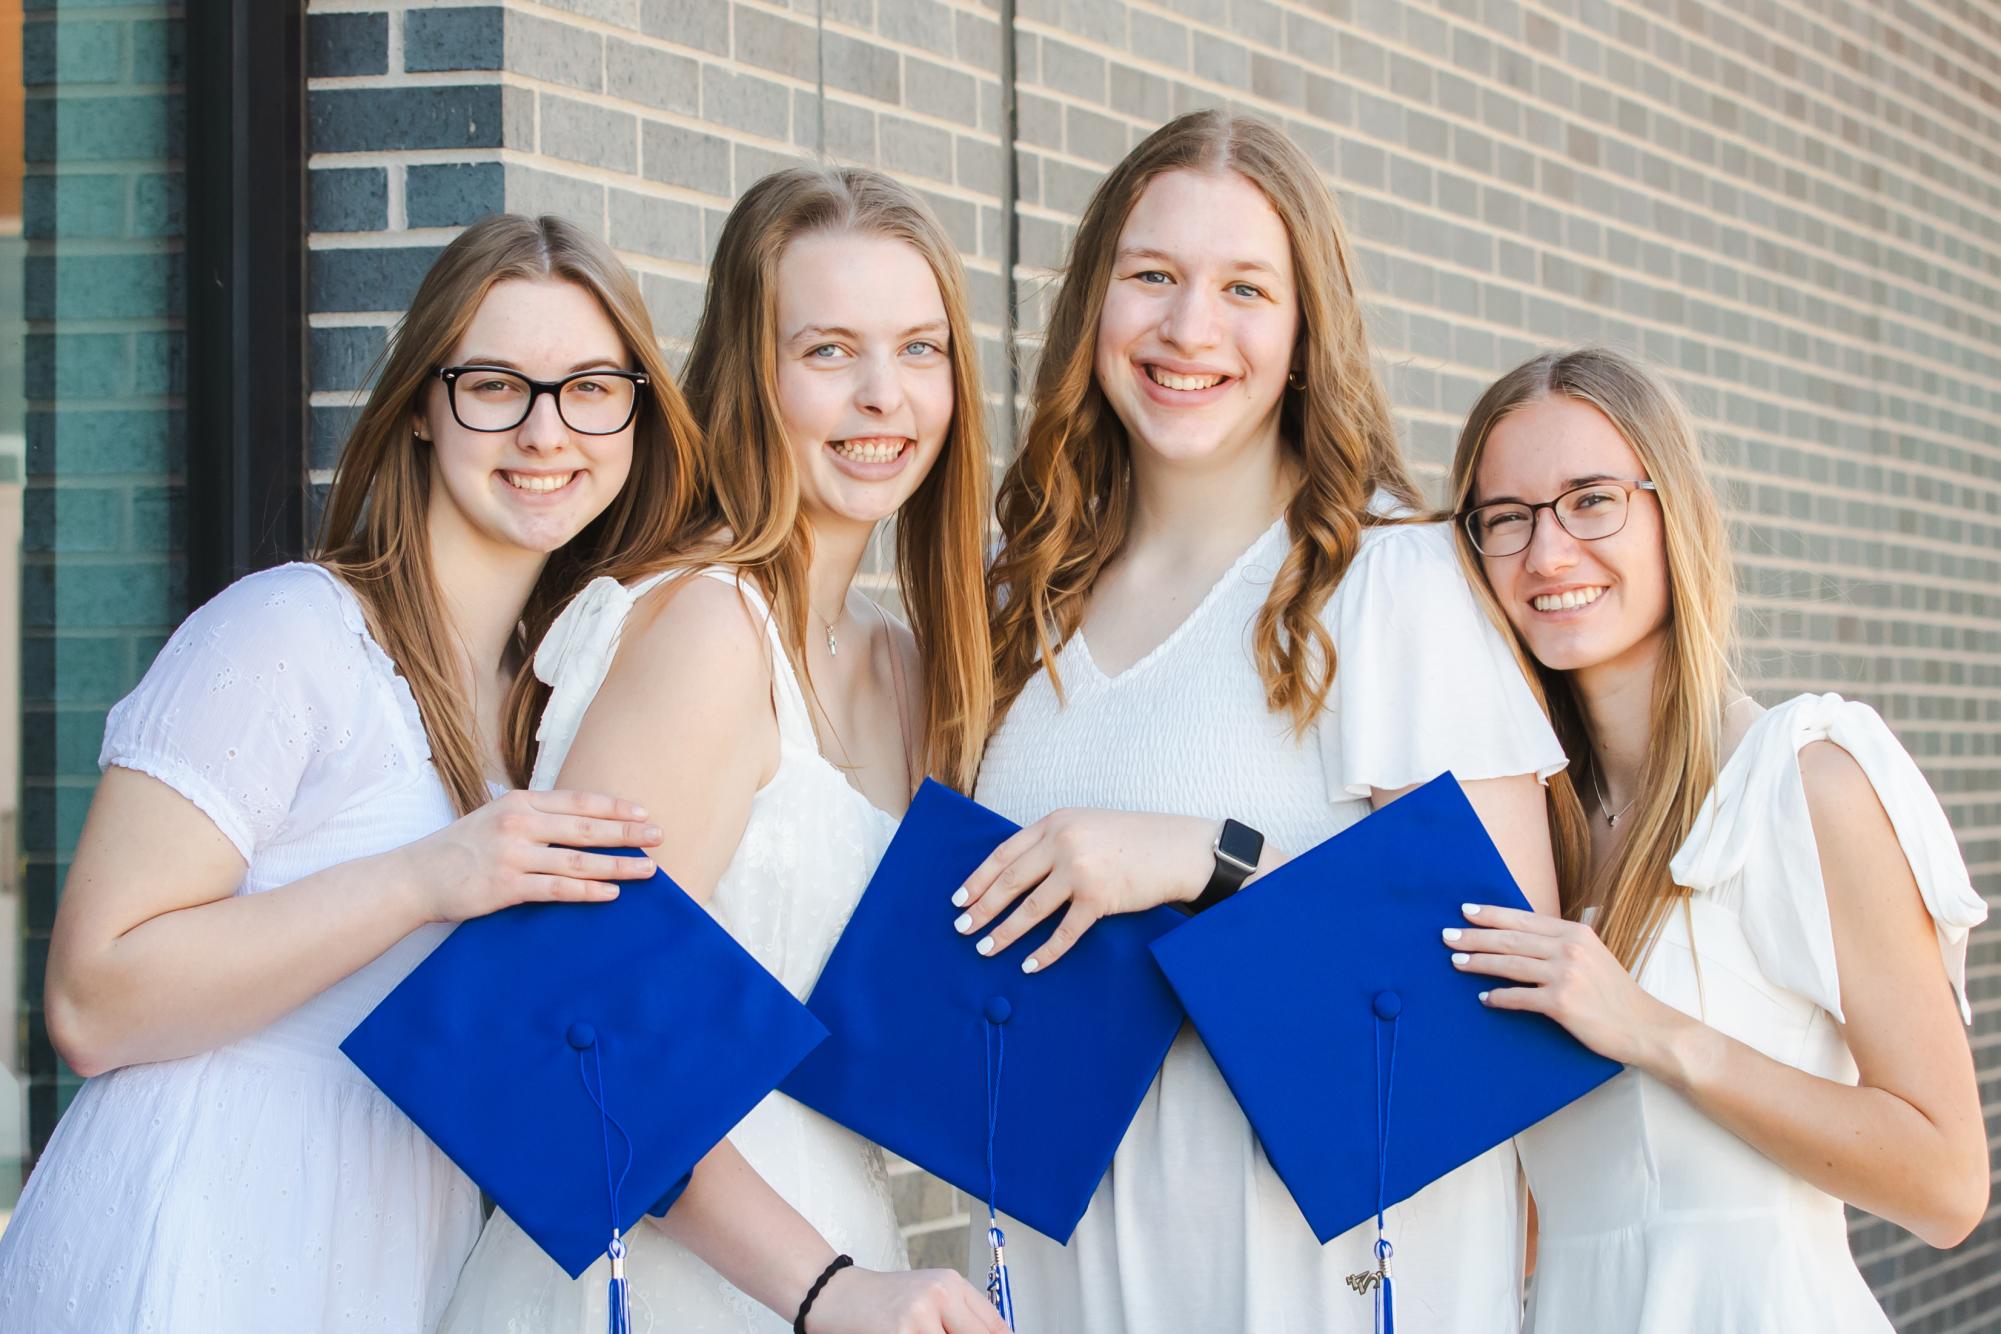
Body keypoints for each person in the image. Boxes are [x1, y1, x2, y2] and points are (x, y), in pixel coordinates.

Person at [0, 214, 704, 1331]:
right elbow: (91, 997)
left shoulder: (545, 698)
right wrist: (426, 877)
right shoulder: (291, 633)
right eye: (494, 385)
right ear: (424, 408)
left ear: (636, 413)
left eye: (589, 387)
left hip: (390, 1243)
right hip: (202, 1229)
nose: (544, 428)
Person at [956, 110, 1568, 1332]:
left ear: (1303, 330)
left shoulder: (1393, 579)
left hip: (1314, 1272)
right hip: (1062, 1259)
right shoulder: (1020, 593)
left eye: (1245, 287)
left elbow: (1513, 987)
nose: (1191, 328)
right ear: (1095, 302)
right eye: (1154, 277)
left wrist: (1203, 857)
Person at [438, 168, 1008, 1334]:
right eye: (830, 352)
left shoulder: (906, 666)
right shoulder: (707, 624)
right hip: (660, 1274)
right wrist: (824, 1288)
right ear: (752, 372)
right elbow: (577, 1030)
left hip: (842, 1251)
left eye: (919, 349)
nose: (883, 398)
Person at [1443, 346, 1989, 1332]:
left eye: (1592, 499)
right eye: (1508, 517)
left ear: (1671, 512)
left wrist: (1653, 1031)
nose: (1549, 552)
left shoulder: (1802, 778)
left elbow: (1947, 1183)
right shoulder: (1526, 838)